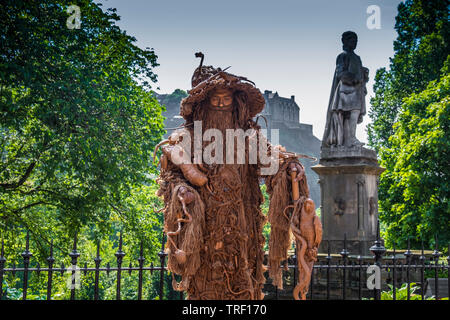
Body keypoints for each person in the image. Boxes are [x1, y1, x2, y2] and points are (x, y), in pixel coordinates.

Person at [155, 53, 316, 300]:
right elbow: (171, 175)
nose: (220, 104)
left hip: (242, 229)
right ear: (205, 104)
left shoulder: (248, 136)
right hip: (205, 231)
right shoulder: (190, 136)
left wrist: (289, 166)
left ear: (235, 103)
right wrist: (181, 191)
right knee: (205, 289)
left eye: (226, 99)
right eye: (215, 99)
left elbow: (269, 159)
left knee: (243, 285)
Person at [322, 31, 369, 148]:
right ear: (345, 41)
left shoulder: (357, 58)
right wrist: (354, 78)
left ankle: (350, 139)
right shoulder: (342, 56)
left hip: (356, 90)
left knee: (354, 114)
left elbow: (358, 72)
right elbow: (340, 73)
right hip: (346, 90)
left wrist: (363, 73)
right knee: (350, 114)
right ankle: (350, 139)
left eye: (356, 40)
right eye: (352, 40)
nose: (354, 42)